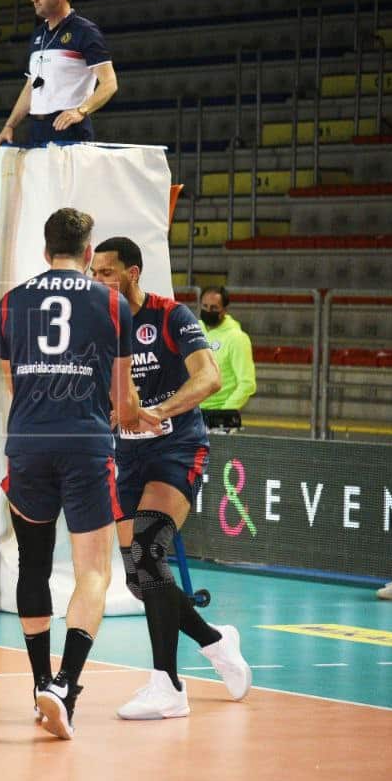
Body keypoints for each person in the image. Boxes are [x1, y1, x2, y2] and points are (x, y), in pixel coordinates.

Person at [91, 237, 251, 719]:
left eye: (106, 272)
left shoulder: (171, 316)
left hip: (176, 449)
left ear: (133, 274)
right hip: (127, 457)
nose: (97, 281)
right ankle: (215, 640)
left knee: (147, 552)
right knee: (140, 580)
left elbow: (209, 378)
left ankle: (168, 685)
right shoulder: (98, 324)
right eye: (93, 272)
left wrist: (159, 410)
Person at [0, 208, 138, 740]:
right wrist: (135, 414)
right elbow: (123, 401)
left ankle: (39, 684)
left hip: (28, 442)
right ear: (88, 252)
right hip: (84, 443)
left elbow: (12, 380)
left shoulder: (10, 302)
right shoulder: (112, 303)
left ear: (45, 249)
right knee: (94, 571)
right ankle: (65, 686)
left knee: (32, 565)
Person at [0, 0, 117, 147]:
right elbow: (30, 86)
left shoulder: (85, 31)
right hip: (36, 127)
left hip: (69, 128)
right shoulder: (38, 34)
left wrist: (81, 111)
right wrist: (10, 126)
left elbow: (110, 83)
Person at [199, 287, 256, 431]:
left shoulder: (237, 338)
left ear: (224, 310)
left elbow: (247, 383)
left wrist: (224, 413)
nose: (208, 310)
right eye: (205, 306)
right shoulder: (193, 330)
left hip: (220, 417)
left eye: (214, 308)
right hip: (192, 413)